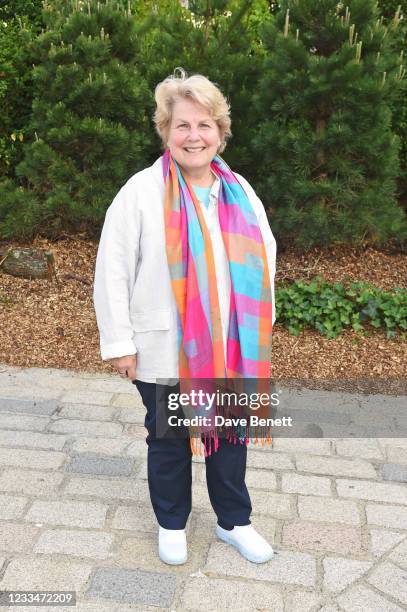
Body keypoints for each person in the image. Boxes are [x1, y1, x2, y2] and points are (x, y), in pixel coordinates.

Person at [93, 68, 277, 566]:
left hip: (231, 345)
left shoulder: (239, 191)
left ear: (220, 131)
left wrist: (261, 325)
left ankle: (233, 521)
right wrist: (120, 343)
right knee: (170, 436)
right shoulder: (140, 192)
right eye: (182, 125)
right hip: (164, 346)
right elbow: (111, 269)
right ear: (165, 132)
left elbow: (266, 256)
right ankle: (172, 523)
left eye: (204, 125)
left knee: (229, 433)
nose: (194, 136)